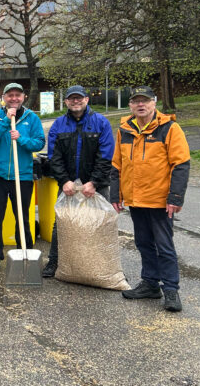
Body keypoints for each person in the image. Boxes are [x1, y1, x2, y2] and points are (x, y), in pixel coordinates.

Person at [110, 86, 190, 312]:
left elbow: (181, 164)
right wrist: (116, 194)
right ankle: (150, 284)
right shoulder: (124, 130)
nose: (140, 105)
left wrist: (175, 197)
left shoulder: (170, 128)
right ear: (131, 106)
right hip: (136, 200)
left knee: (164, 246)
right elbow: (117, 165)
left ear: (154, 102)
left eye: (145, 100)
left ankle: (171, 289)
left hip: (160, 201)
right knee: (143, 243)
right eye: (135, 101)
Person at [43, 85, 114, 278]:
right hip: (68, 186)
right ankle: (54, 262)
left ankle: (100, 265)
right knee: (62, 224)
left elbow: (106, 156)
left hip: (96, 185)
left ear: (86, 100)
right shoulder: (59, 124)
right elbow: (54, 156)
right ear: (66, 102)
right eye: (72, 99)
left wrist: (94, 182)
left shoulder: (101, 123)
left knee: (99, 224)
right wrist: (64, 180)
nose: (76, 101)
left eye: (79, 98)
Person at [0, 83, 45, 273]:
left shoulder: (31, 118)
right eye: (10, 95)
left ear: (23, 97)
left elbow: (39, 143)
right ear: (4, 97)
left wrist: (21, 139)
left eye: (18, 95)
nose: (14, 98)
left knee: (23, 217)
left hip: (22, 176)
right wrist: (5, 121)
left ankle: (24, 253)